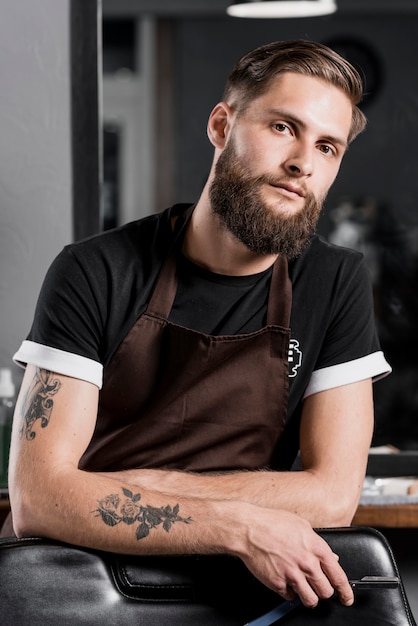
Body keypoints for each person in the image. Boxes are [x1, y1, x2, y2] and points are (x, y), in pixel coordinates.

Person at [3, 39, 390, 612]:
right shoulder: (96, 269)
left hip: (240, 595)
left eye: (327, 147)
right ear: (220, 124)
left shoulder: (334, 281)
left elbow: (332, 497)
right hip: (78, 589)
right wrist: (236, 523)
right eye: (284, 127)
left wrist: (122, 486)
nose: (303, 162)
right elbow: (38, 498)